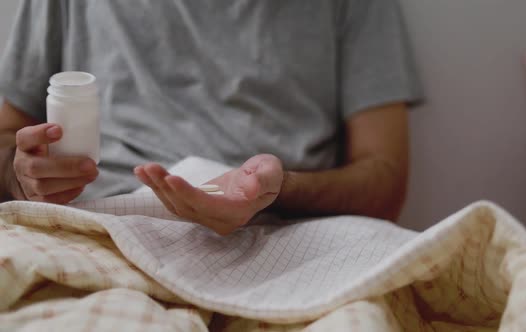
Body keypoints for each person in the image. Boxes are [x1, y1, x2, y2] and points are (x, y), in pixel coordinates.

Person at [0, 0, 421, 235]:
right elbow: (6, 136)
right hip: (104, 232)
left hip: (290, 243)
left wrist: (278, 190)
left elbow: (385, 182)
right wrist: (20, 175)